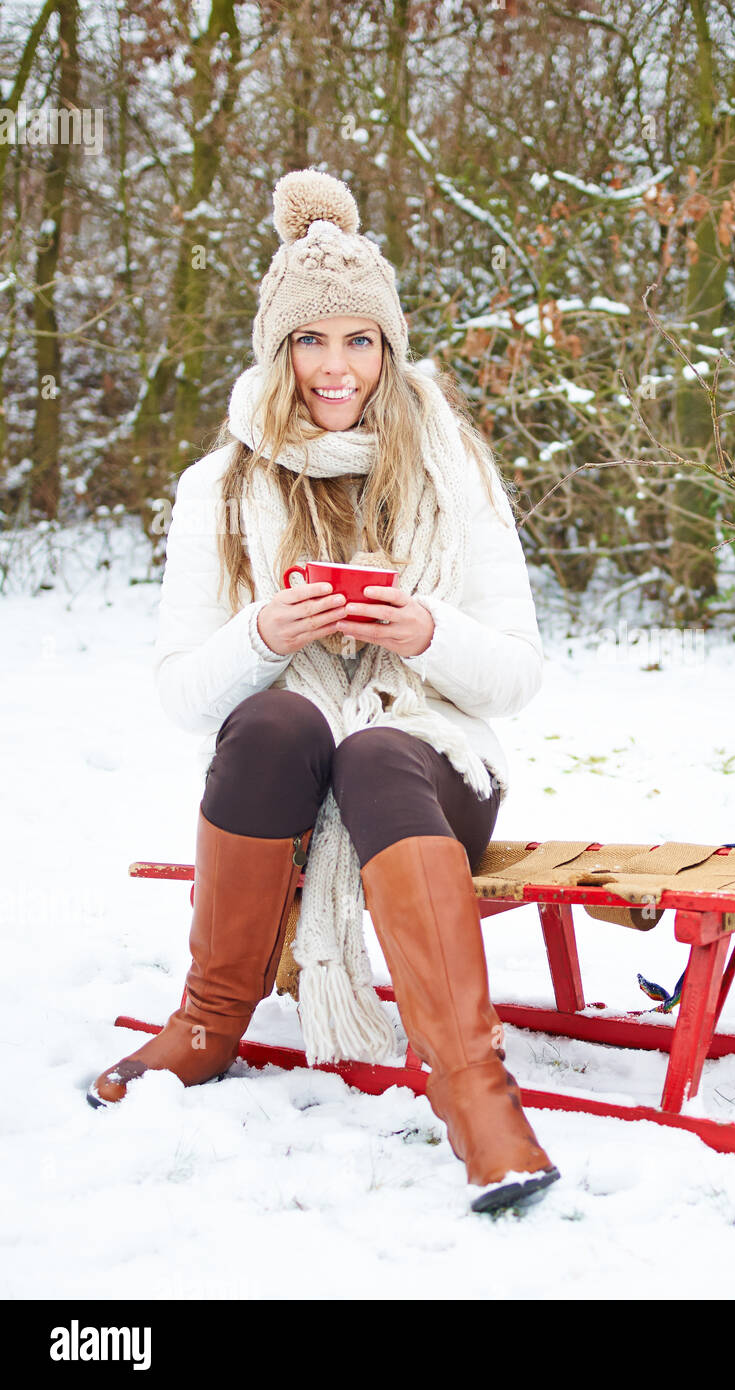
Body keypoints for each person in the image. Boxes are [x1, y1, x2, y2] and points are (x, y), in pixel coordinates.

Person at [87, 169, 559, 1214]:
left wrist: (425, 631)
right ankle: (210, 1021)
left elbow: (518, 674)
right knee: (273, 715)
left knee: (377, 748)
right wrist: (264, 633)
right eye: (311, 341)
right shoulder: (220, 487)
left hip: (426, 776)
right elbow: (179, 691)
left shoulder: (452, 470)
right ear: (277, 350)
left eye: (358, 339)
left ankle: (476, 1094)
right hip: (281, 777)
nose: (334, 366)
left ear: (387, 348)